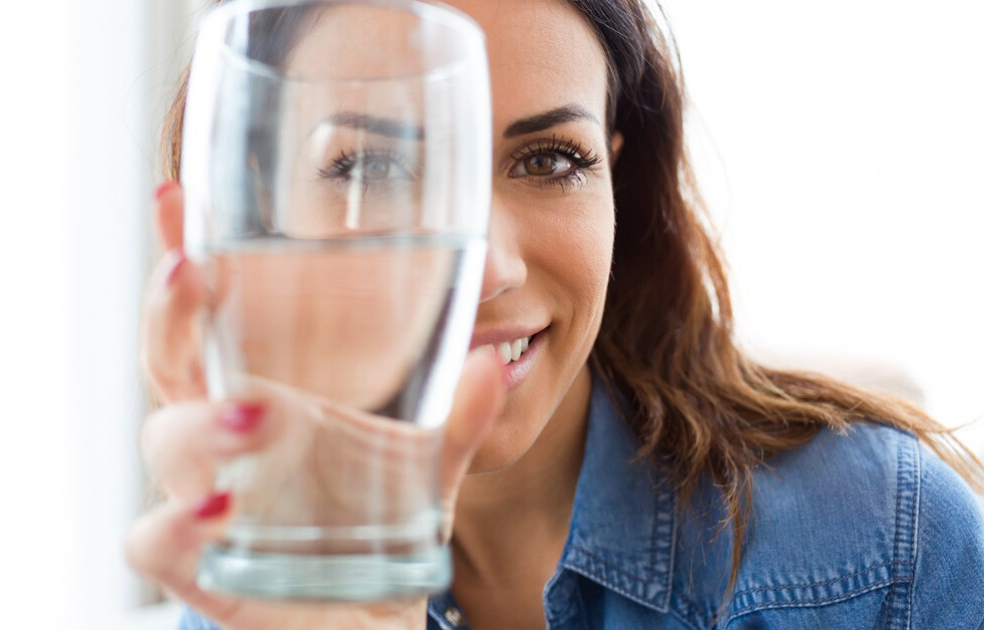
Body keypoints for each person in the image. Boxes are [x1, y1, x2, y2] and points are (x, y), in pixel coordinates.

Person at [126, 0, 984, 628]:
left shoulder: (883, 552)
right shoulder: (267, 586)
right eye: (375, 167)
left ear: (617, 182)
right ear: (257, 206)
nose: (484, 269)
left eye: (547, 160)